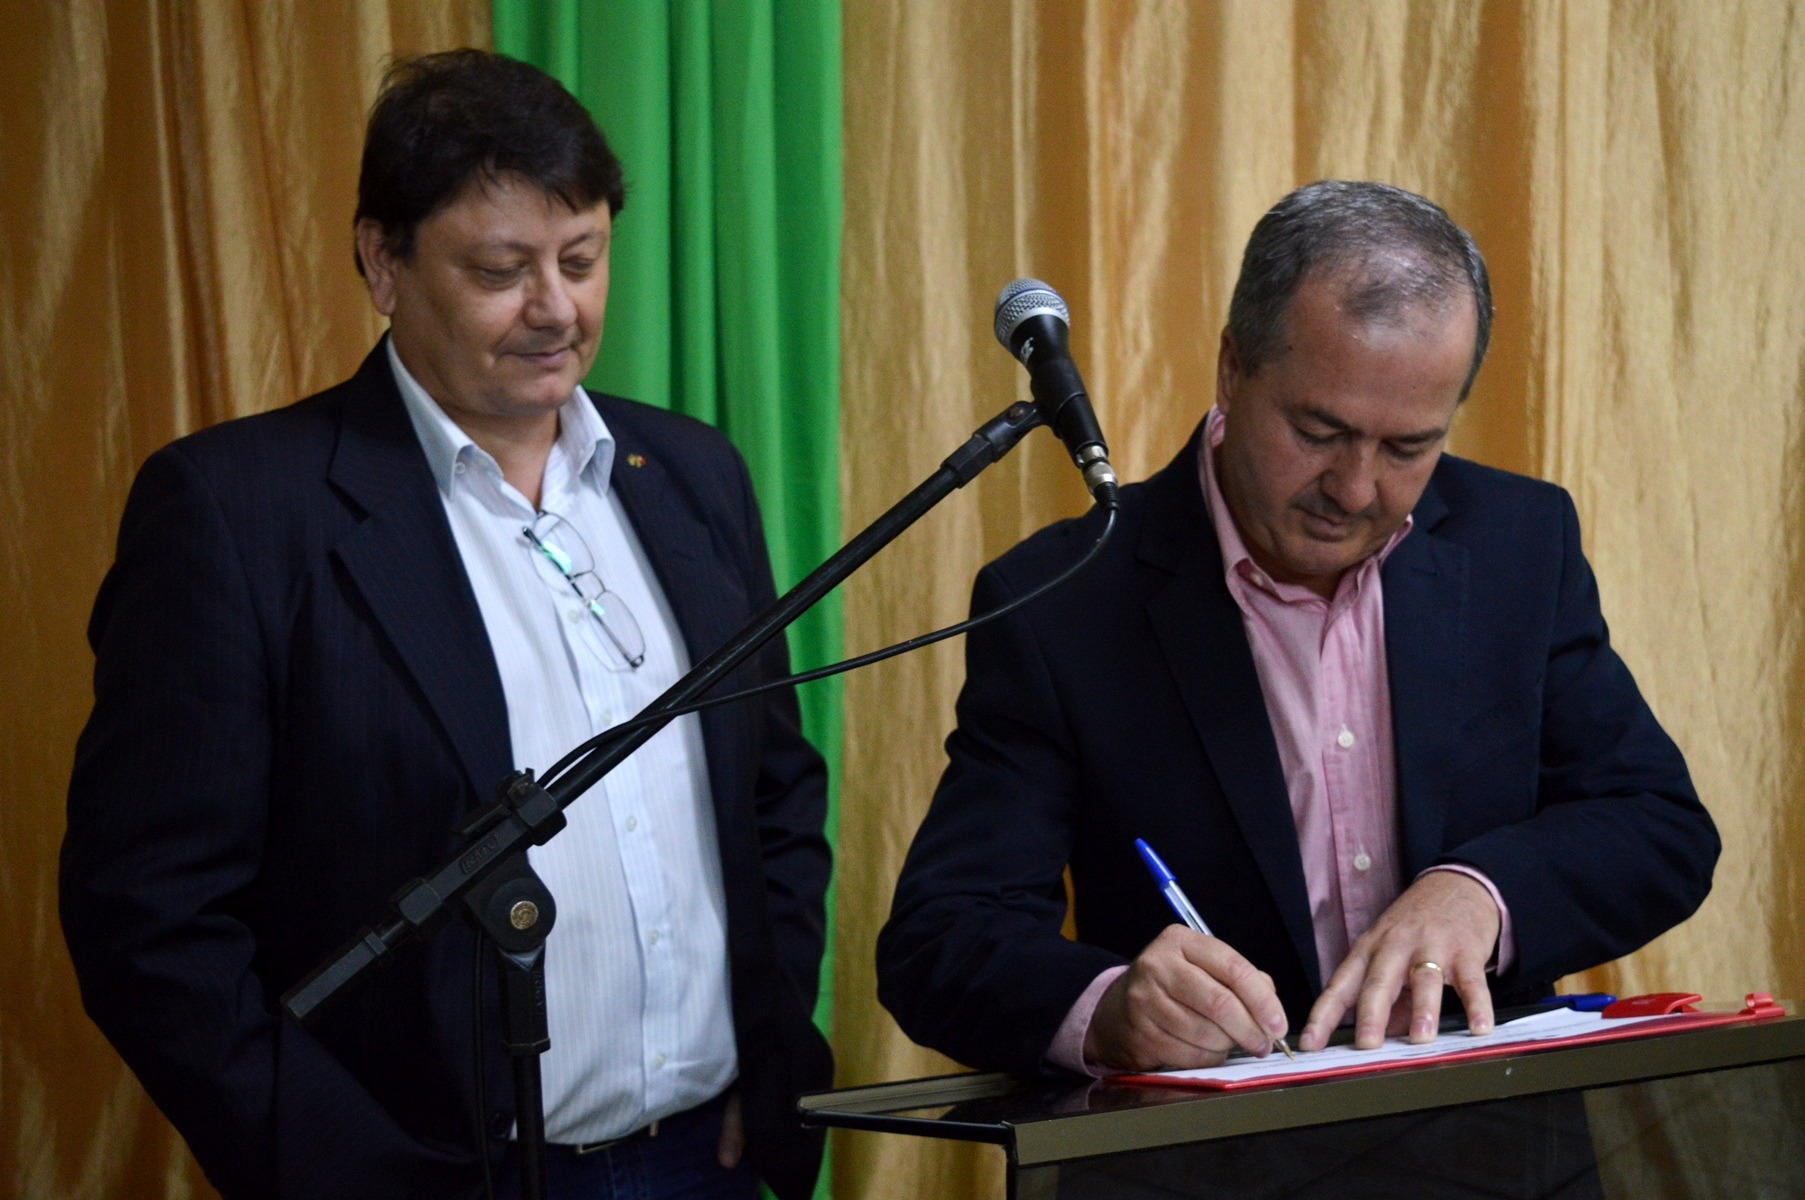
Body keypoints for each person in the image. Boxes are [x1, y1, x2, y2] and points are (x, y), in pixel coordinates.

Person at [61, 50, 831, 1200]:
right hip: (429, 1174)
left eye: (581, 260)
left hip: (703, 1158)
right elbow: (147, 919)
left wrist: (763, 1053)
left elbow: (773, 794)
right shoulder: (239, 513)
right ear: (382, 260)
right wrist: (338, 1170)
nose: (556, 309)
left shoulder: (688, 471)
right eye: (499, 270)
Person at [876, 181, 1719, 1193]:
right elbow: (941, 938)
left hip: (1499, 1164)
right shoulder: (1062, 600)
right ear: (1232, 365)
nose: (1355, 488)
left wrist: (1479, 893)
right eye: (1318, 431)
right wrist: (1106, 1005)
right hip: (1199, 1173)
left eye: (1407, 447)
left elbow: (1657, 826)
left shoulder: (1515, 544)